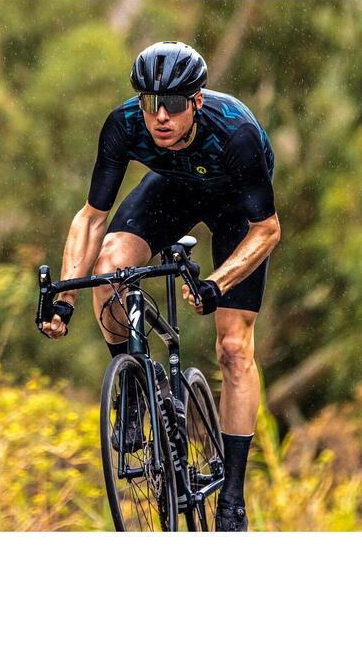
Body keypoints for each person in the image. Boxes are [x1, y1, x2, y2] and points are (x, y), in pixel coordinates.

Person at [41, 41, 281, 532]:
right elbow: (91, 220)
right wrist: (63, 297)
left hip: (239, 209)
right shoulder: (124, 124)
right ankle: (134, 389)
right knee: (110, 267)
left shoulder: (234, 133)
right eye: (151, 103)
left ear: (196, 100)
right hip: (174, 189)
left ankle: (231, 498)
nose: (160, 116)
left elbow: (268, 230)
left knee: (234, 347)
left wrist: (215, 285)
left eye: (173, 104)